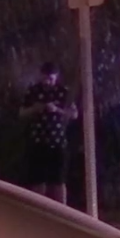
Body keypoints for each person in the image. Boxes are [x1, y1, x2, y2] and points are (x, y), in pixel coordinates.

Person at [20, 62, 76, 203]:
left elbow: (74, 114)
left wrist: (57, 110)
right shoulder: (33, 91)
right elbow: (22, 112)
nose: (48, 82)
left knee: (58, 180)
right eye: (45, 78)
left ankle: (62, 210)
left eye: (51, 79)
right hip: (38, 140)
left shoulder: (63, 92)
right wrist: (35, 108)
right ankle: (38, 209)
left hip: (57, 141)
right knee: (38, 180)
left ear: (56, 77)